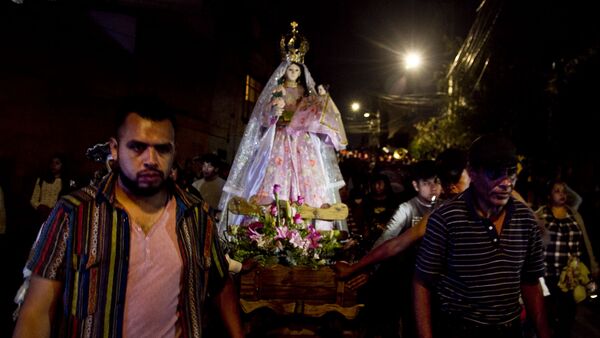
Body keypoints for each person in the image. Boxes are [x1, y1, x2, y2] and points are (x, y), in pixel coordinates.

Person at [12, 95, 244, 338]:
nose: (151, 160)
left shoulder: (196, 216)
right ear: (114, 148)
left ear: (174, 151)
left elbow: (221, 282)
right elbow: (35, 314)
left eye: (162, 149)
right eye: (137, 147)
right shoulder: (74, 213)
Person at [413, 134, 550, 338]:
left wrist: (544, 332)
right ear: (472, 173)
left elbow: (530, 282)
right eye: (495, 173)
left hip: (510, 330)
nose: (505, 183)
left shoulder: (525, 220)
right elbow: (422, 283)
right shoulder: (446, 219)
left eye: (511, 173)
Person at [218, 22, 347, 234]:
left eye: (297, 69)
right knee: (274, 177)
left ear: (301, 71)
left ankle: (306, 230)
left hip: (303, 142)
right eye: (290, 69)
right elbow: (263, 115)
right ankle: (270, 229)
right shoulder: (277, 90)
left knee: (308, 180)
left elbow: (317, 113)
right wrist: (273, 112)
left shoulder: (307, 94)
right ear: (284, 70)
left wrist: (321, 99)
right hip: (279, 138)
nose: (293, 72)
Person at [536, 179, 598, 338]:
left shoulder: (573, 213)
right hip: (548, 274)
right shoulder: (541, 214)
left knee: (568, 313)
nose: (562, 194)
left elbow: (585, 241)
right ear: (549, 195)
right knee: (548, 313)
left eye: (564, 191)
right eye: (557, 191)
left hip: (570, 274)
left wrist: (592, 263)